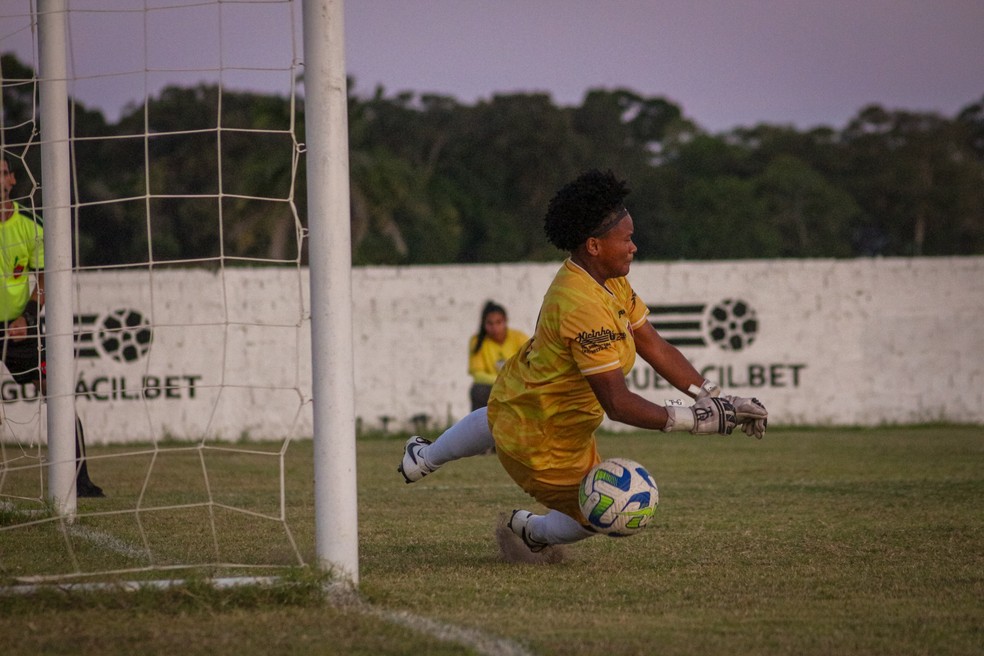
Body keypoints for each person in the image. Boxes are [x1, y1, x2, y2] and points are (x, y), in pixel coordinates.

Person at [398, 169, 766, 563]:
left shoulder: (609, 281)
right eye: (626, 239)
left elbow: (654, 346)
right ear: (593, 245)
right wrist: (698, 420)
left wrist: (716, 398)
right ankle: (533, 531)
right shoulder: (581, 305)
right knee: (598, 514)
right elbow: (617, 403)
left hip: (531, 399)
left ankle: (424, 457)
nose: (634, 247)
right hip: (541, 437)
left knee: (496, 417)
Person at [0, 157, 103, 498]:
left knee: (57, 391)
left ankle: (80, 482)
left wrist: (27, 317)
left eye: (1, 172)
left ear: (13, 179)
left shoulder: (31, 224)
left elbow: (46, 276)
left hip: (20, 331)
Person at [467, 300, 529, 411]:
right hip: (492, 387)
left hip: (517, 384)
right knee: (478, 390)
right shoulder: (477, 341)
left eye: (498, 322)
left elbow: (531, 364)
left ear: (505, 321)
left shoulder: (519, 337)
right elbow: (477, 375)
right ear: (484, 324)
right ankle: (481, 426)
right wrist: (502, 381)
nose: (495, 328)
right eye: (490, 323)